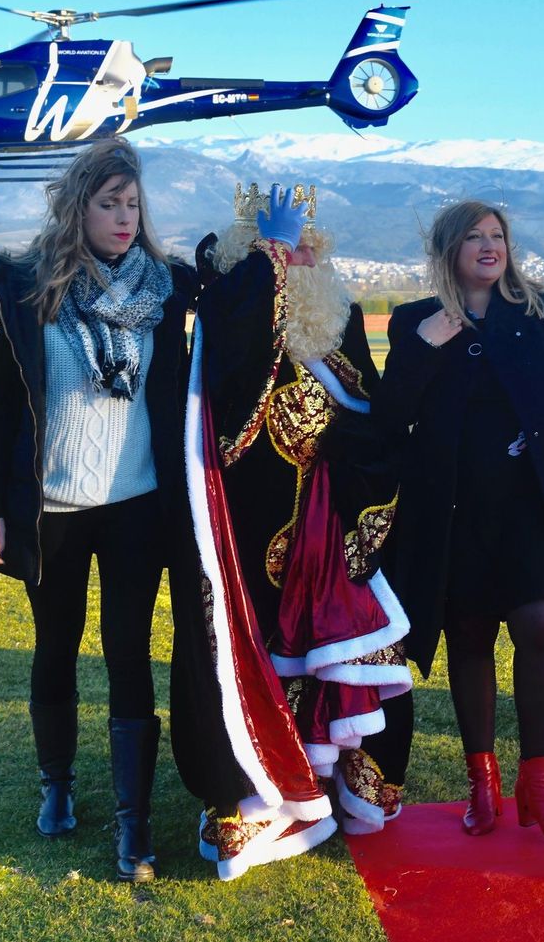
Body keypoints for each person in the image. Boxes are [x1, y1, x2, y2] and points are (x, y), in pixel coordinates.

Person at [0, 138, 195, 880]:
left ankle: (134, 825)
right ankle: (55, 787)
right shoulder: (29, 293)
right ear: (78, 208)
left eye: (133, 203)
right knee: (54, 646)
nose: (125, 217)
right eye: (108, 203)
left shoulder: (168, 291)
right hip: (50, 509)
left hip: (136, 506)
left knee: (128, 652)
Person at [175, 183, 410, 881]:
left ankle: (338, 784)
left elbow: (374, 409)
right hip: (258, 535)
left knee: (344, 666)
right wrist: (266, 261)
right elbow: (235, 384)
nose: (299, 257)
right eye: (281, 246)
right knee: (265, 663)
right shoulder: (233, 310)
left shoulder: (343, 320)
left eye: (307, 245)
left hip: (337, 540)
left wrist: (352, 440)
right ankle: (265, 795)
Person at [375, 200, 544, 838]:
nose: (490, 247)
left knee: (542, 623)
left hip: (534, 506)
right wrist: (424, 348)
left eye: (498, 237)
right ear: (448, 251)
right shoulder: (415, 322)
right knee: (468, 637)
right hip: (455, 513)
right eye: (475, 238)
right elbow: (388, 417)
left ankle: (536, 781)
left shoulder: (539, 315)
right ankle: (481, 782)